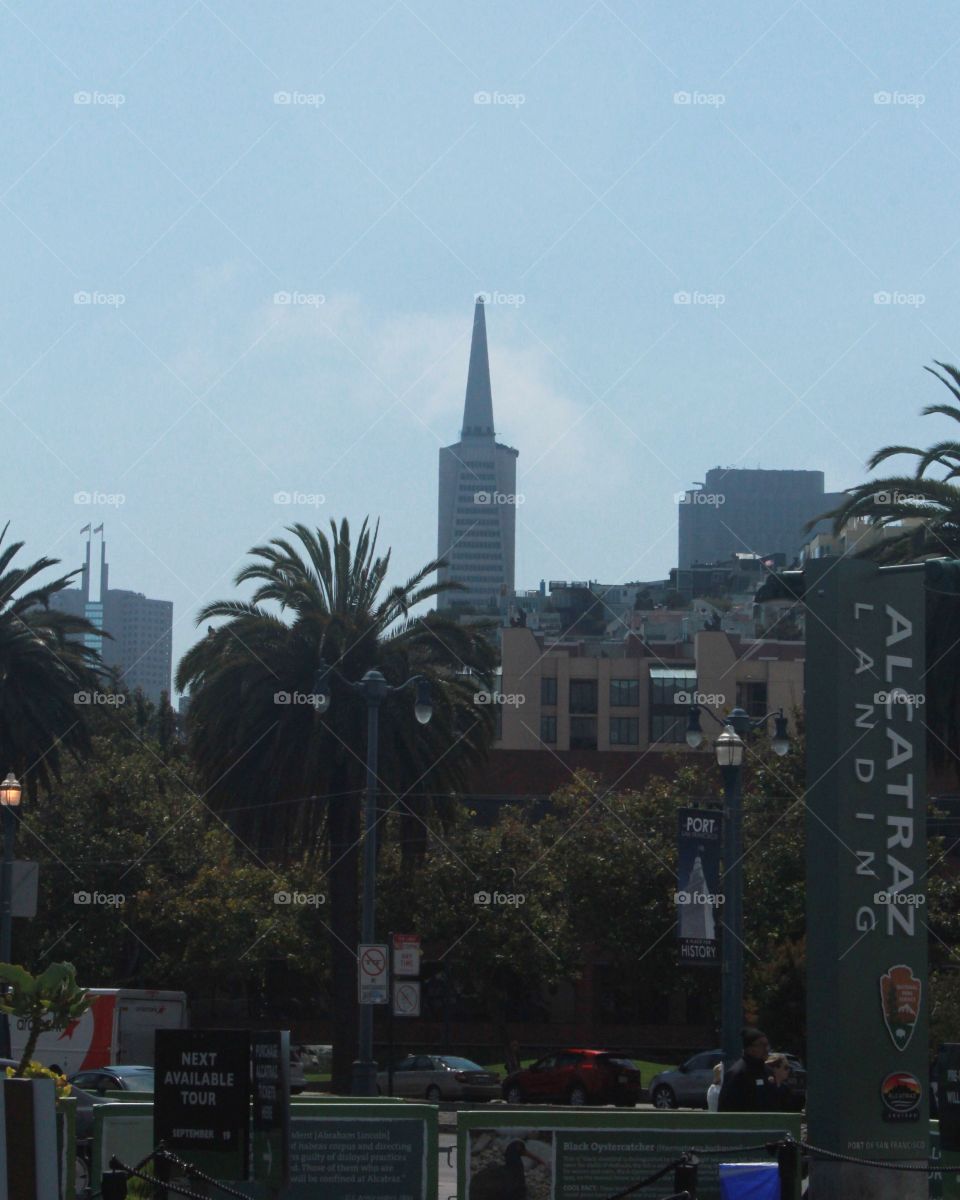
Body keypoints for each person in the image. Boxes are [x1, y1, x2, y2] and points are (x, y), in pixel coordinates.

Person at [717, 1028, 776, 1111]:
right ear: (749, 1048)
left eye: (767, 1045)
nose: (766, 1049)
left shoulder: (768, 1072)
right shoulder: (736, 1074)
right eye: (762, 1045)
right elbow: (725, 1109)